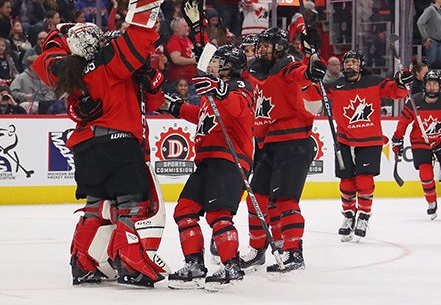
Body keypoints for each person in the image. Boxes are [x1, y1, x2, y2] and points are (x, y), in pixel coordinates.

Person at [34, 20, 168, 287]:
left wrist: (57, 34)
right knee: (133, 206)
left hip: (86, 148)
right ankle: (130, 262)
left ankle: (82, 263)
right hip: (119, 143)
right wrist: (148, 72)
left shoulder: (73, 71)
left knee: (96, 208)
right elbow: (152, 94)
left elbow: (44, 61)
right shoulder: (112, 63)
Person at [164, 45, 254, 290]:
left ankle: (231, 265)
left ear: (229, 66)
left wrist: (219, 89)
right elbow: (203, 115)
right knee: (184, 211)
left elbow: (238, 109)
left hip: (229, 160)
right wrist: (175, 107)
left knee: (219, 215)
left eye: (217, 61)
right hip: (206, 160)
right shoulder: (211, 91)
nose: (212, 64)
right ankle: (194, 264)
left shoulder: (241, 86)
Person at [239, 27, 326, 273]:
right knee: (257, 199)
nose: (262, 48)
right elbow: (226, 67)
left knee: (285, 200)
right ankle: (258, 250)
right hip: (267, 145)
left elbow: (304, 75)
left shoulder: (288, 66)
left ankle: (293, 252)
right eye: (261, 44)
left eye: (267, 44)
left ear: (280, 47)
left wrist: (312, 61)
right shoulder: (258, 69)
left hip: (294, 142)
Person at [325, 49, 410, 241]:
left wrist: (402, 81)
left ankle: (363, 216)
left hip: (369, 139)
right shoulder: (335, 85)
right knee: (346, 182)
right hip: (344, 140)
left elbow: (397, 92)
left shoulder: (374, 82)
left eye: (354, 62)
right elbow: (312, 93)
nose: (350, 65)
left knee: (364, 181)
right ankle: (348, 216)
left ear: (361, 65)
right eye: (347, 62)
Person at [392, 70, 441, 220]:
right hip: (420, 140)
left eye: (435, 84)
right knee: (425, 173)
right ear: (424, 85)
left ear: (440, 86)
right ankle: (431, 202)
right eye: (429, 84)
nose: (432, 87)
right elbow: (403, 122)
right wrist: (398, 138)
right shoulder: (414, 101)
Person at [417, 0, 441, 66]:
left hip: (440, 41)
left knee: (439, 64)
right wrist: (426, 37)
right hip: (432, 41)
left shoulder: (440, 10)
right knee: (431, 64)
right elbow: (420, 22)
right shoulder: (430, 9)